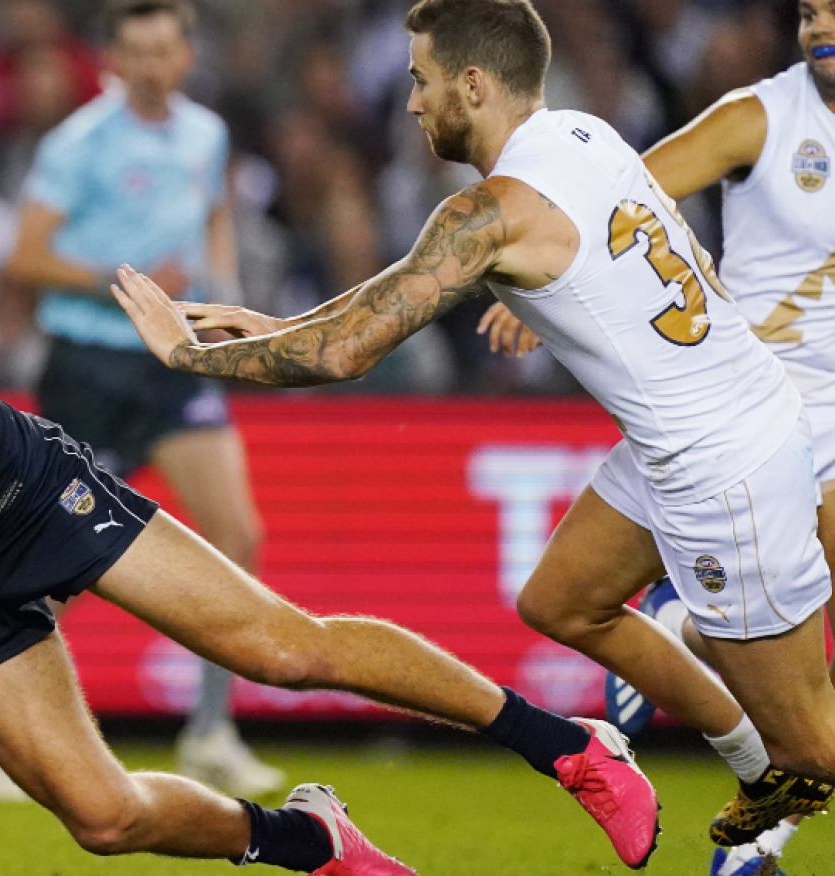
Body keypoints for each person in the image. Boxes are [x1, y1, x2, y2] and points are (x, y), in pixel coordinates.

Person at [0, 182, 661, 875]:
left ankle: (565, 745)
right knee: (103, 821)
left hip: (38, 512)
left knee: (281, 648)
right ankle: (312, 844)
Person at [111, 0, 835, 859]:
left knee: (815, 748)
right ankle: (756, 770)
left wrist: (189, 358)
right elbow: (395, 292)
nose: (411, 103)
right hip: (726, 417)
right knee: (563, 601)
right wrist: (271, 324)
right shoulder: (583, 136)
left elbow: (345, 354)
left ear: (473, 83)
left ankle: (775, 765)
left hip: (724, 476)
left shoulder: (491, 213)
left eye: (420, 82)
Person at [478, 4, 835, 872]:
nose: (816, 24)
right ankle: (754, 790)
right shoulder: (761, 117)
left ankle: (692, 648)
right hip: (755, 403)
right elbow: (622, 194)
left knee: (790, 669)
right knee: (804, 688)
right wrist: (549, 266)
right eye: (806, 9)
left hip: (757, 429)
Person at [3, 0, 281, 797]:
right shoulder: (76, 144)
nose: (151, 66)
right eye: (136, 53)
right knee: (61, 561)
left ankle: (209, 730)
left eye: (165, 51)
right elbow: (26, 257)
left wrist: (223, 297)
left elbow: (213, 220)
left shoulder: (205, 134)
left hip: (172, 364)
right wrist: (122, 283)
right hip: (89, 364)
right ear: (113, 62)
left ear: (186, 56)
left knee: (237, 534)